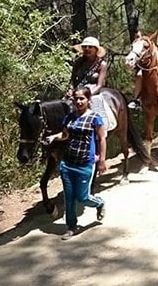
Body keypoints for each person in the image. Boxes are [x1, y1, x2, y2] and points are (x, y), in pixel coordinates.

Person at [42, 87, 107, 241]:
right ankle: (71, 227)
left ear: (88, 100)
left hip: (85, 164)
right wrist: (53, 137)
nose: (78, 101)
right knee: (69, 198)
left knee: (83, 197)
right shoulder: (69, 118)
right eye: (76, 99)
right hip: (68, 163)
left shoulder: (95, 118)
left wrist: (102, 160)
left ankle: (99, 203)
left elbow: (102, 139)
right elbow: (65, 134)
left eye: (82, 99)